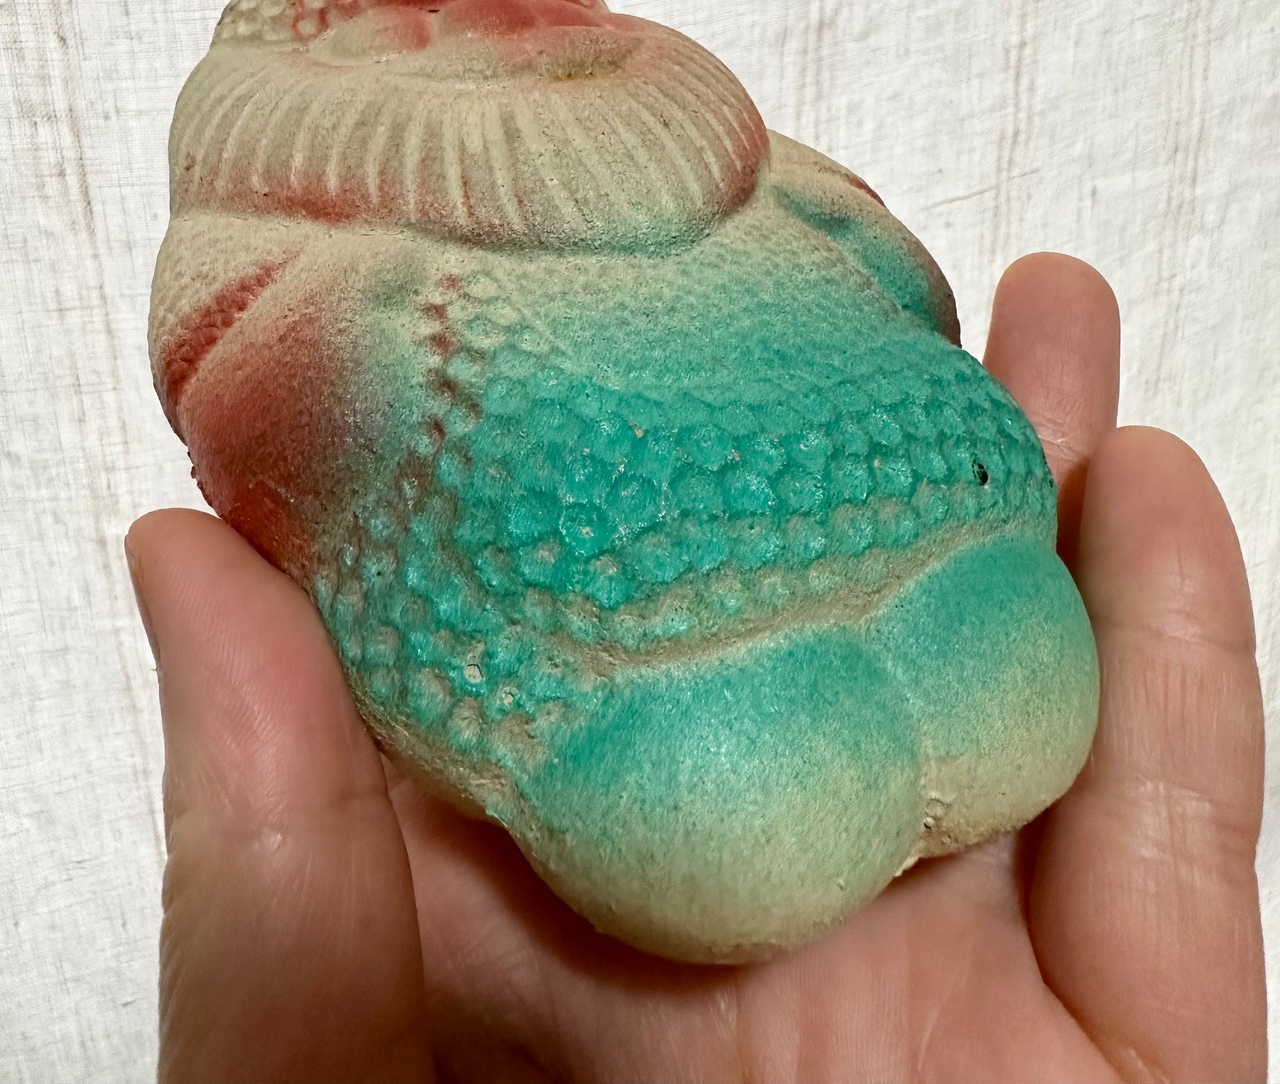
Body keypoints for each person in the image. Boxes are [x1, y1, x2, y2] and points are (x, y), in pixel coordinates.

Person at [125, 255, 1265, 1084]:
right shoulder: (360, 277)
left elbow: (896, 283)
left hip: (925, 510)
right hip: (646, 636)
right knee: (727, 789)